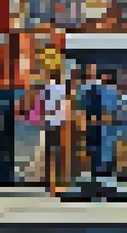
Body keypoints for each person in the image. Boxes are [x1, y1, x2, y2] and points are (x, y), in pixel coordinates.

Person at [42, 68, 70, 196]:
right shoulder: (62, 90)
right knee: (59, 156)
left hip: (48, 124)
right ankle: (58, 184)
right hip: (60, 125)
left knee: (49, 155)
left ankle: (50, 184)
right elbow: (64, 108)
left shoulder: (46, 89)